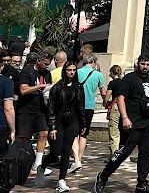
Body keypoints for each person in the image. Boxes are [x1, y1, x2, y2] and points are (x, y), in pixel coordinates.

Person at [95, 55, 149, 193]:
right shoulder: (129, 79)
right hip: (132, 122)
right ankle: (103, 176)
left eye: (148, 64)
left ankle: (142, 183)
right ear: (138, 64)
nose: (145, 67)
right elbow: (120, 98)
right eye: (143, 64)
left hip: (147, 122)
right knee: (124, 152)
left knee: (147, 153)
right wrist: (124, 117)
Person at [35, 62, 86, 192]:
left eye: (74, 70)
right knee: (56, 151)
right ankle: (42, 166)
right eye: (69, 70)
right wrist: (52, 126)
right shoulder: (57, 87)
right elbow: (51, 108)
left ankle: (61, 180)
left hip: (73, 121)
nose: (72, 72)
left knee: (66, 150)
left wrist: (83, 124)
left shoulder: (79, 87)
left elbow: (81, 107)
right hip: (58, 121)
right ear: (65, 71)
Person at [16, 52, 53, 174]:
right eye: (45, 64)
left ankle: (38, 164)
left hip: (40, 109)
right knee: (23, 138)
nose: (47, 67)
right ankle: (20, 163)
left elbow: (47, 87)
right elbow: (23, 90)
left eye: (49, 64)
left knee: (44, 133)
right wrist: (40, 87)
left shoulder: (47, 74)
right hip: (26, 110)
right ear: (39, 61)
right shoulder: (27, 71)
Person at [69, 53, 107, 173]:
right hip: (89, 106)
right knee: (84, 133)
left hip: (75, 106)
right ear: (94, 63)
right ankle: (79, 158)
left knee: (73, 132)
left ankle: (76, 160)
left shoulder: (77, 72)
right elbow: (103, 93)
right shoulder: (98, 75)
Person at [105, 65, 123, 157]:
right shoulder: (124, 82)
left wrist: (106, 103)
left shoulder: (112, 83)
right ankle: (123, 154)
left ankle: (114, 156)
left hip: (115, 107)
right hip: (124, 107)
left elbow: (107, 96)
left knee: (114, 132)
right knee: (122, 131)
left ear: (112, 73)